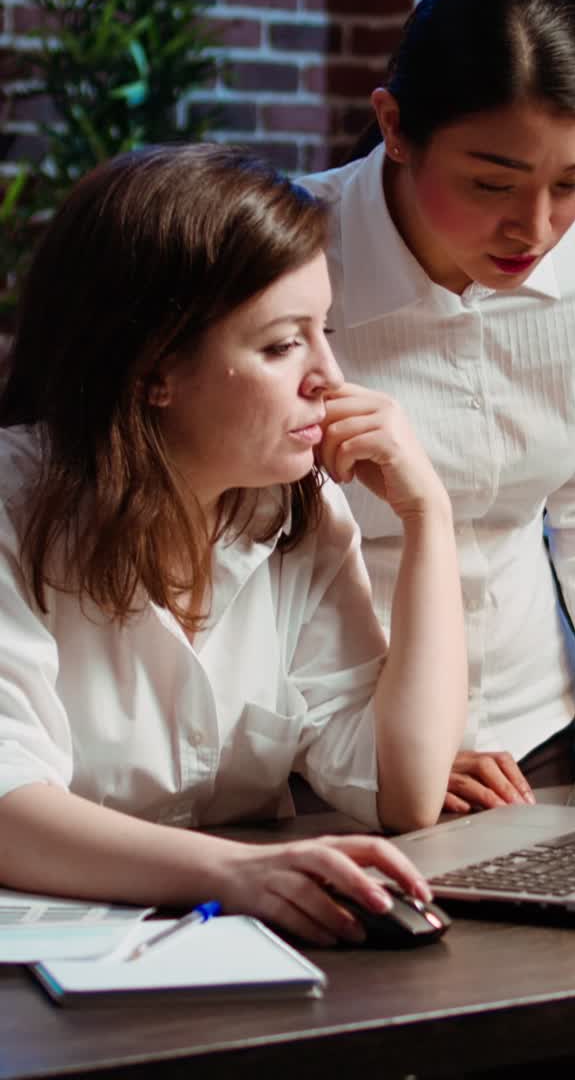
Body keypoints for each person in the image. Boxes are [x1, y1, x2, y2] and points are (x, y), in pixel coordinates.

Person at [0, 144, 467, 946]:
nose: (330, 374)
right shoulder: (14, 507)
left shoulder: (299, 512)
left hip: (228, 956)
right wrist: (229, 873)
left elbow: (404, 788)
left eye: (323, 331)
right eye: (284, 344)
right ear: (155, 371)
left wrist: (430, 516)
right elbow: (10, 811)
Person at [298, 0, 575, 813]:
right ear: (396, 127)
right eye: (492, 183)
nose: (535, 229)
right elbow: (239, 559)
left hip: (533, 739)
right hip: (331, 749)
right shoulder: (294, 257)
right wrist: (373, 758)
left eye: (573, 180)